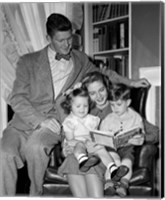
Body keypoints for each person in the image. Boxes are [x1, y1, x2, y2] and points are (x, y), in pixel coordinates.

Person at [0, 13, 150, 197]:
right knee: (4, 155)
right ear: (48, 39)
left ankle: (35, 194)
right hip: (24, 122)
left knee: (36, 146)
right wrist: (40, 120)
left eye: (69, 38)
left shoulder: (80, 60)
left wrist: (131, 82)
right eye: (60, 40)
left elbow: (102, 74)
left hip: (55, 122)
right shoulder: (28, 61)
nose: (67, 45)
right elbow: (17, 98)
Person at [63, 71, 159, 197]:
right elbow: (68, 135)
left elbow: (156, 133)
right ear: (87, 95)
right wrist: (66, 147)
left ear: (107, 88)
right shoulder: (83, 110)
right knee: (72, 160)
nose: (99, 96)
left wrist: (143, 138)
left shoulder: (121, 108)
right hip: (86, 155)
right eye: (92, 93)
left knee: (92, 166)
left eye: (101, 90)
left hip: (109, 158)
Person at [60, 86, 129, 180]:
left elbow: (95, 134)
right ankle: (83, 160)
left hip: (90, 145)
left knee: (100, 148)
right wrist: (84, 141)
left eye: (85, 106)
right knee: (80, 144)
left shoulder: (92, 120)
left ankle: (113, 168)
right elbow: (70, 140)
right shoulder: (70, 121)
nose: (82, 109)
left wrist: (98, 141)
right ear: (70, 106)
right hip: (75, 146)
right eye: (78, 106)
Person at [100, 83, 146, 197]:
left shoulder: (136, 117)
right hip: (112, 148)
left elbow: (141, 133)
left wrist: (140, 138)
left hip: (127, 147)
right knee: (113, 162)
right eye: (112, 105)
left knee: (127, 163)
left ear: (128, 103)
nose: (115, 108)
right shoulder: (108, 119)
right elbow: (102, 136)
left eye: (119, 104)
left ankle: (123, 184)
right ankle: (110, 184)